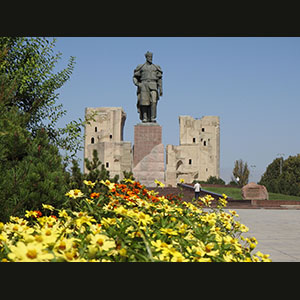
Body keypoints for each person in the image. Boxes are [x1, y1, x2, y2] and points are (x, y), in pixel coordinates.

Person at [133, 51, 163, 123]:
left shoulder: (156, 67)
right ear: (146, 57)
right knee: (144, 102)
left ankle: (153, 118)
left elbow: (159, 79)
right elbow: (135, 77)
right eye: (149, 57)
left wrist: (161, 89)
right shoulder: (141, 67)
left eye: (151, 57)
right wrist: (138, 84)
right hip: (144, 85)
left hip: (153, 85)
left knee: (154, 101)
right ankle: (145, 118)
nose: (150, 58)